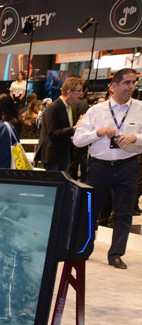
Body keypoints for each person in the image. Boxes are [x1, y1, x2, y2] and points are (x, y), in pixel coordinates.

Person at [73, 68, 142, 269]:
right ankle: (83, 249)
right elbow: (78, 140)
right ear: (115, 86)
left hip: (127, 166)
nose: (131, 87)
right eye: (127, 82)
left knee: (124, 212)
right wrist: (99, 132)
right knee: (90, 211)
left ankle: (116, 254)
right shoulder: (96, 110)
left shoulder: (139, 108)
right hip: (99, 167)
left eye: (133, 82)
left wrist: (135, 138)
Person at [39, 77, 84, 172]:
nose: (81, 94)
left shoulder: (71, 107)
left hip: (65, 153)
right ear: (69, 92)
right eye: (79, 91)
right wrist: (74, 128)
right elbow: (52, 133)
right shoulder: (53, 108)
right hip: (53, 156)